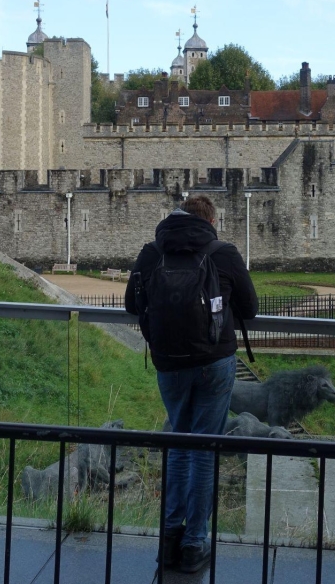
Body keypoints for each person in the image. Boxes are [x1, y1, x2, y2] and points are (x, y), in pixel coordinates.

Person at [125, 194, 258, 574]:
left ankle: (168, 541)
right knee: (204, 449)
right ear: (211, 222)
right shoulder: (223, 251)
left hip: (169, 363)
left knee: (178, 445)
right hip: (214, 363)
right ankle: (194, 544)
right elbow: (249, 308)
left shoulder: (152, 252)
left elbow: (131, 306)